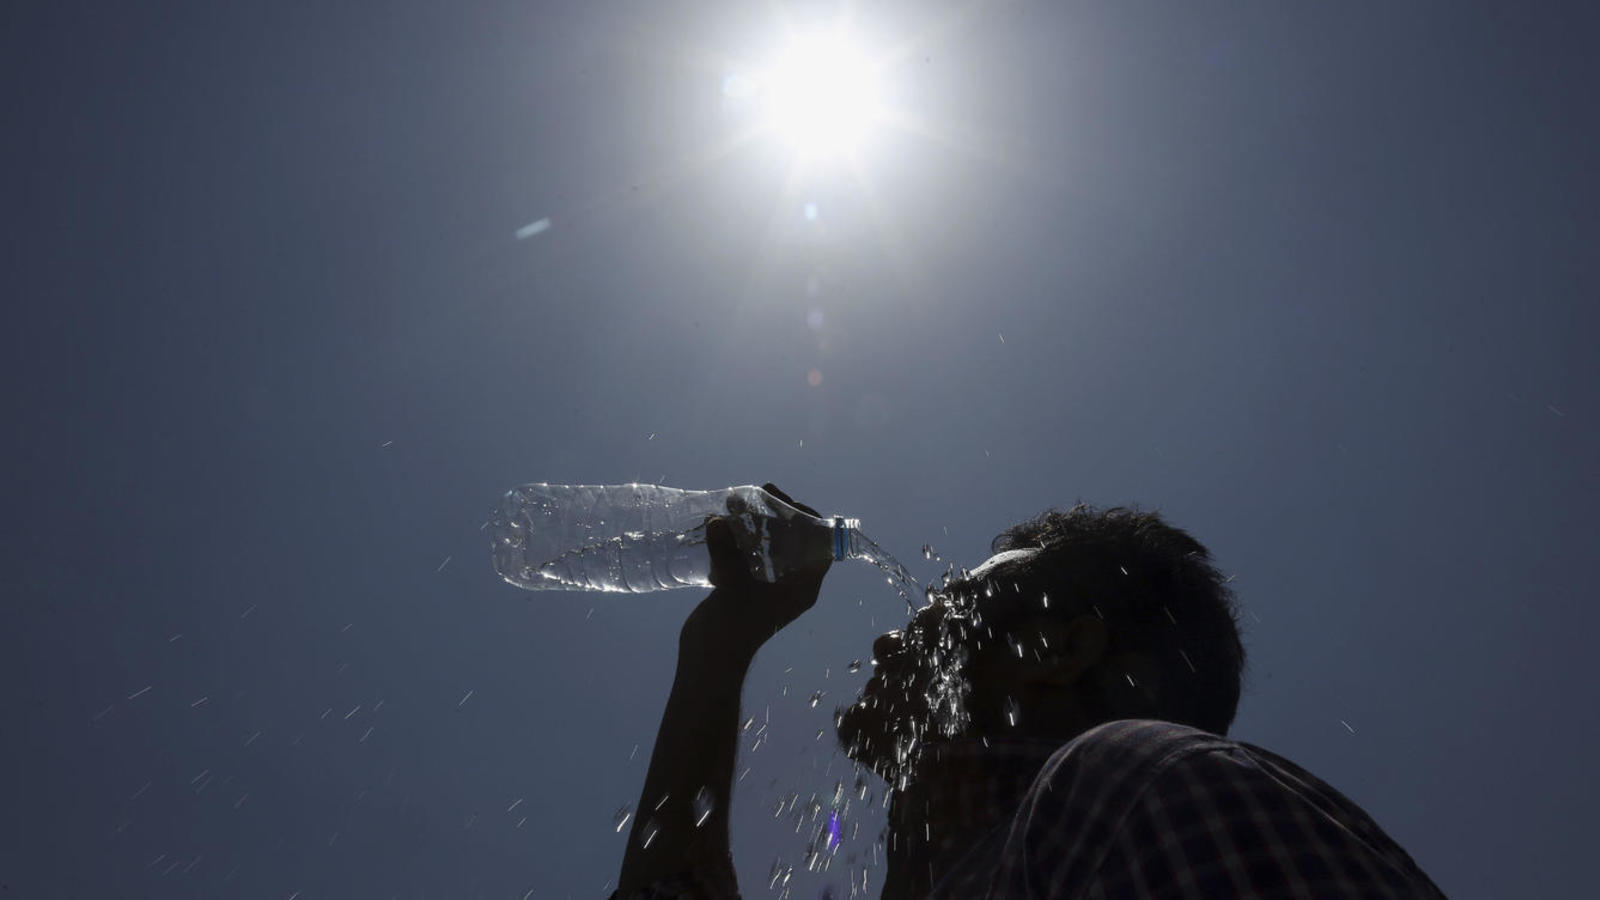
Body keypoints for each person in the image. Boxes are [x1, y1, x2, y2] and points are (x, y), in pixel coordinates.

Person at [615, 485, 1446, 898]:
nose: (888, 639)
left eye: (948, 609)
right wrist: (717, 649)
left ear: (1059, 646)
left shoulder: (1135, 790)